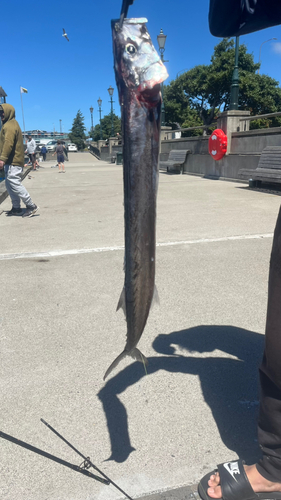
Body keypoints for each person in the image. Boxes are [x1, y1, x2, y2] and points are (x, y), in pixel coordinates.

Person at [0, 103, 39, 218]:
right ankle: (16, 207)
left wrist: (2, 159)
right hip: (10, 162)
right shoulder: (8, 125)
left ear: (8, 112)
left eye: (2, 112)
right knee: (9, 184)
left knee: (14, 182)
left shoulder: (10, 125)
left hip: (13, 161)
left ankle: (31, 205)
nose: (1, 114)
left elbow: (8, 143)